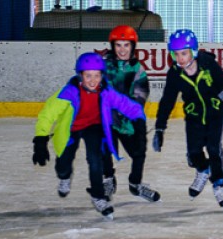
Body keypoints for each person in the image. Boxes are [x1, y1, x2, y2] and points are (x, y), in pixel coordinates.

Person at [32, 52, 147, 220]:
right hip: (71, 128)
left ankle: (98, 196)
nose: (93, 80)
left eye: (97, 75)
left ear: (102, 75)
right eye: (88, 76)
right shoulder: (69, 92)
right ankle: (64, 176)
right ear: (80, 76)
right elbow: (47, 114)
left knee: (96, 161)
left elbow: (126, 104)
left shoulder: (106, 91)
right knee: (64, 163)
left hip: (94, 127)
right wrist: (40, 140)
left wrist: (138, 119)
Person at [153, 29, 223, 211]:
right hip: (193, 116)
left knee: (214, 149)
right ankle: (202, 170)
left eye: (184, 53)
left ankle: (219, 184)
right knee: (193, 154)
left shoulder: (208, 65)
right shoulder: (175, 74)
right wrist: (160, 128)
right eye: (176, 54)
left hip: (215, 113)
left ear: (193, 51)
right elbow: (167, 101)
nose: (180, 58)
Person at [98, 25, 160, 202]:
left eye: (126, 45)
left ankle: (135, 184)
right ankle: (108, 179)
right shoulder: (103, 65)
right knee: (103, 148)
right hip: (107, 119)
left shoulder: (137, 70)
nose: (122, 49)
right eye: (118, 45)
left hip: (128, 120)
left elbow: (140, 95)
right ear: (112, 46)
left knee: (139, 153)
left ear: (133, 47)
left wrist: (125, 111)